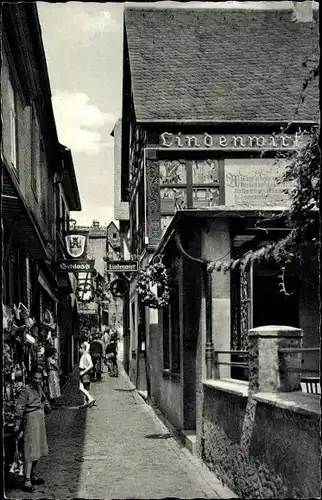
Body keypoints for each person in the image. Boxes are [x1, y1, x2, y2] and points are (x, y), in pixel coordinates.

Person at [14, 368, 51, 493]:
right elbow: (20, 406)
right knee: (30, 450)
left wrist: (47, 406)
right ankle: (27, 480)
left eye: (40, 379)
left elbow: (44, 399)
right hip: (30, 421)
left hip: (39, 422)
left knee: (37, 449)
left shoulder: (39, 388)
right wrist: (18, 423)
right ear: (31, 378)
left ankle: (33, 475)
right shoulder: (26, 389)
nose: (37, 380)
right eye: (35, 378)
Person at [79, 342, 96, 408]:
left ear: (82, 348)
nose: (79, 350)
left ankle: (90, 399)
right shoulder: (84, 355)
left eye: (80, 349)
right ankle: (86, 402)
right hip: (83, 373)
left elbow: (91, 365)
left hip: (85, 373)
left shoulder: (86, 355)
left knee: (82, 388)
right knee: (84, 388)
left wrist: (84, 372)